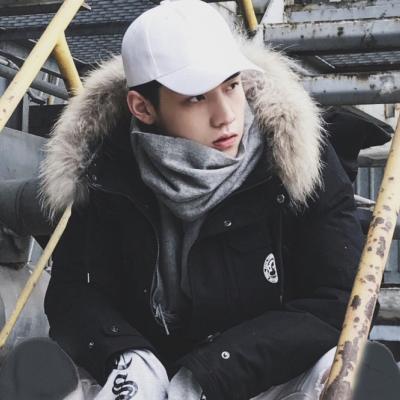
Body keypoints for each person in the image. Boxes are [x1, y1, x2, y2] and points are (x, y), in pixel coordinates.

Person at [37, 0, 365, 399]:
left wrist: (209, 374)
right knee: (56, 373)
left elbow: (339, 300)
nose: (226, 115)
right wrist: (128, 357)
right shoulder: (108, 169)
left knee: (342, 370)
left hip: (266, 376)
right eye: (196, 98)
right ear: (142, 107)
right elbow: (73, 291)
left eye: (232, 86)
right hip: (153, 378)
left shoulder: (298, 161)